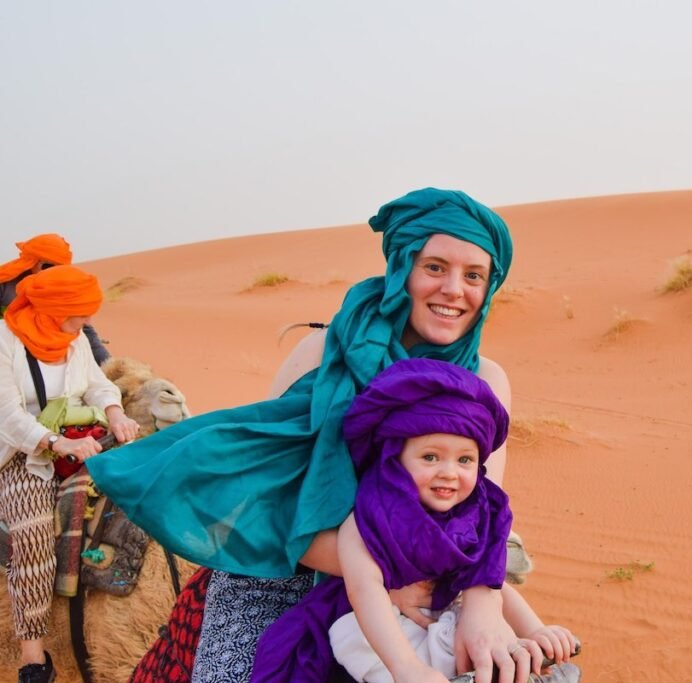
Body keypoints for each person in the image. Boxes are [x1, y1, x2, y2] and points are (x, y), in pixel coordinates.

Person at [87, 188, 535, 683]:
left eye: (474, 276)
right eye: (434, 268)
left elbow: (481, 512)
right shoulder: (321, 351)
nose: (454, 289)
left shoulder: (486, 380)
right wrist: (376, 582)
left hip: (429, 582)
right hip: (283, 574)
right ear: (402, 267)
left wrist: (482, 603)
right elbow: (267, 495)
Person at [250, 358, 578, 683]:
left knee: (485, 634)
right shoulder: (370, 516)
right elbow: (365, 591)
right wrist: (406, 668)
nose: (449, 472)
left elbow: (491, 581)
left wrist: (535, 628)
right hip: (380, 630)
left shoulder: (476, 512)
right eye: (430, 457)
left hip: (446, 621)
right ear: (394, 458)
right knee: (367, 643)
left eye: (464, 459)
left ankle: (517, 669)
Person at [0, 265, 140, 683]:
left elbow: (97, 386)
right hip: (23, 453)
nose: (89, 321)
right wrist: (56, 443)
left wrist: (115, 413)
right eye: (81, 311)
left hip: (83, 437)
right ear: (56, 308)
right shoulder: (5, 342)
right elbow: (7, 415)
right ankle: (33, 656)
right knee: (34, 535)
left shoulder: (74, 340)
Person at [0, 234, 111, 365]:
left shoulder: (61, 287)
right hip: (9, 348)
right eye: (48, 266)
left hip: (49, 353)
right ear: (33, 262)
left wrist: (108, 363)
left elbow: (83, 327)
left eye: (59, 268)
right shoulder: (5, 284)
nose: (52, 272)